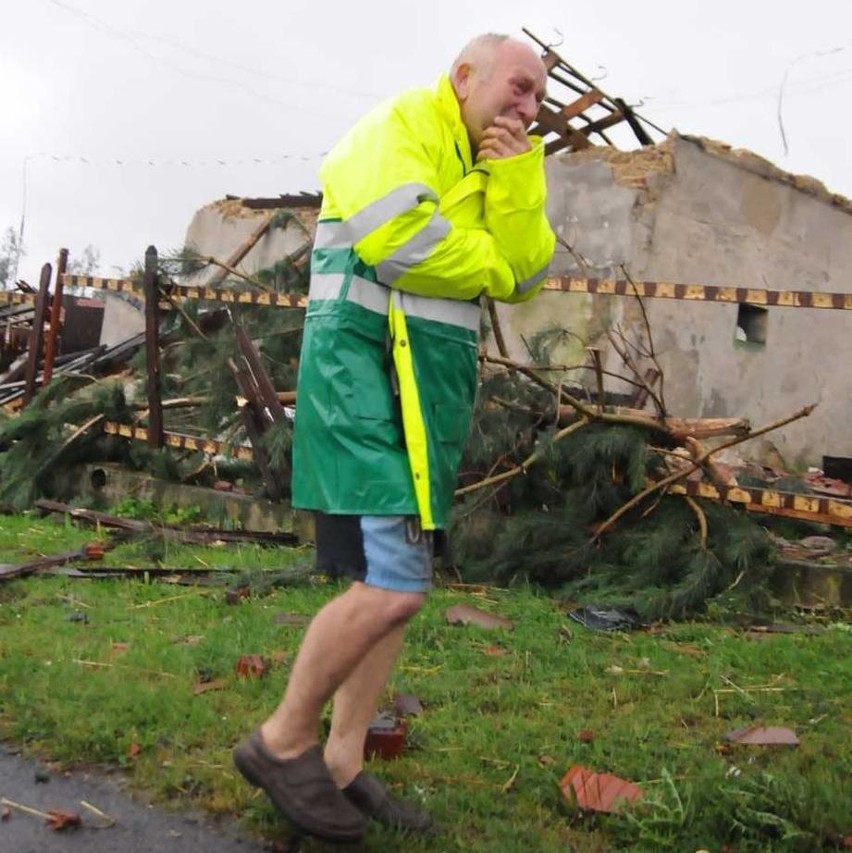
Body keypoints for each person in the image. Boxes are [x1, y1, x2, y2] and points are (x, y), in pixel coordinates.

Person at [233, 32, 556, 844]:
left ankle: (341, 761)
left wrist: (515, 175)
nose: (527, 109)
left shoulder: (493, 166)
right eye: (517, 89)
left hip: (424, 399)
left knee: (397, 600)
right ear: (464, 76)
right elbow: (405, 246)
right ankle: (281, 741)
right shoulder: (401, 127)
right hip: (363, 382)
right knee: (396, 585)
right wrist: (488, 260)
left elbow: (527, 268)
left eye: (538, 101)